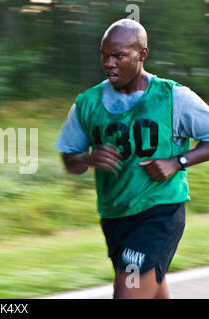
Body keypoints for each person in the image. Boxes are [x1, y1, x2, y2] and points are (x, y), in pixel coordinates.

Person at [55, 18, 209, 299]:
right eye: (104, 55)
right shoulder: (87, 103)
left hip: (159, 211)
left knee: (130, 292)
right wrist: (89, 160)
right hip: (114, 215)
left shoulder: (173, 97)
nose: (108, 63)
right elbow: (69, 160)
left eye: (118, 55)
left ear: (142, 55)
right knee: (148, 290)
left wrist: (177, 162)